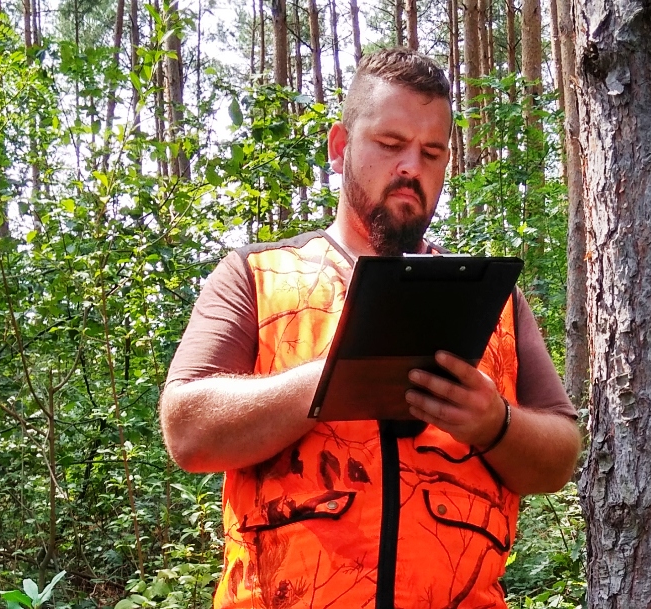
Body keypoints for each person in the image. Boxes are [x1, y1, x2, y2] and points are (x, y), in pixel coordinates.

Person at [160, 47, 582, 609]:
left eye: (432, 153)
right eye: (390, 144)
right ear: (340, 147)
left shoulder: (495, 301)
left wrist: (493, 422)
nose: (412, 166)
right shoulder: (255, 276)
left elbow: (559, 457)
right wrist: (335, 376)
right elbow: (187, 431)